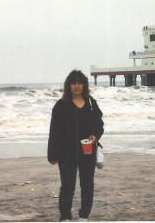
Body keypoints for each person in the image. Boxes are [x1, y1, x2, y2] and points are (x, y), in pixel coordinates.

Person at [48, 70, 104, 222]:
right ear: (69, 86)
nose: (77, 86)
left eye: (80, 83)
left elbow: (99, 124)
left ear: (84, 85)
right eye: (73, 83)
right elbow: (54, 131)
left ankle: (84, 216)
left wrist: (95, 135)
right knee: (67, 186)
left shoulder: (91, 103)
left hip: (87, 151)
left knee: (87, 185)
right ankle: (65, 217)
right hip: (66, 152)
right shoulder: (61, 105)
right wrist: (52, 155)